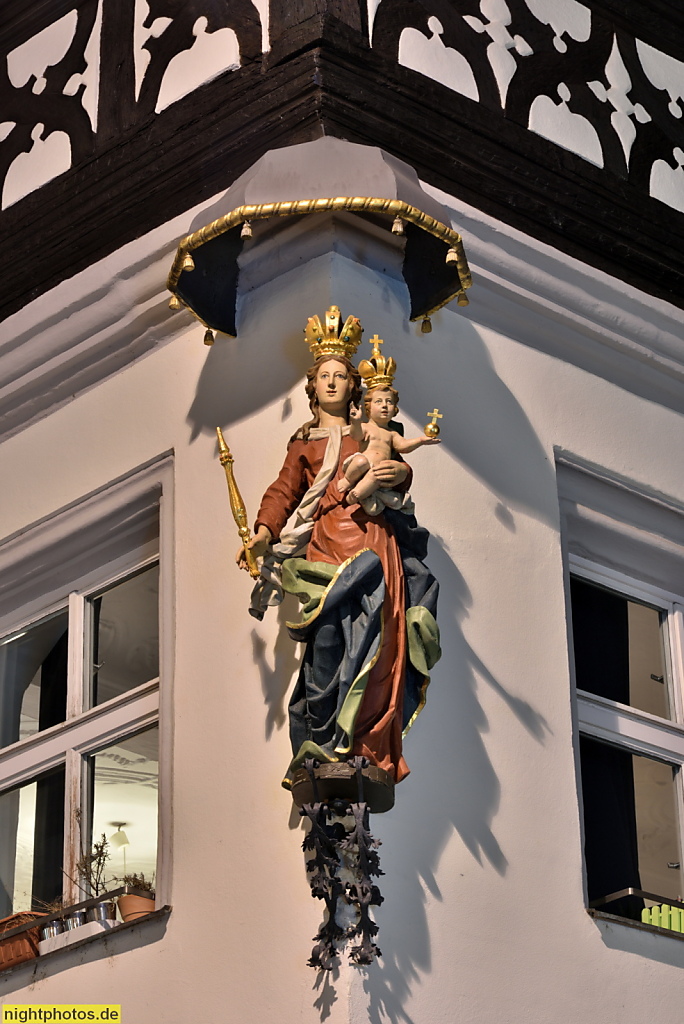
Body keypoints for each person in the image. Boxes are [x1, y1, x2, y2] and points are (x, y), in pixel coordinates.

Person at [237, 331, 440, 789]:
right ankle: (323, 742)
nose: (331, 384)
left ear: (354, 386)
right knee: (326, 638)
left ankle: (363, 744)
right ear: (314, 388)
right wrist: (264, 533)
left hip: (370, 542)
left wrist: (400, 471)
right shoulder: (305, 442)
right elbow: (284, 491)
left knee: (376, 638)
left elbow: (398, 463)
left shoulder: (369, 429)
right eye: (324, 377)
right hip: (324, 544)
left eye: (339, 377)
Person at [339, 385, 440, 507]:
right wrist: (355, 421)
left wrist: (420, 440)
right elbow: (356, 436)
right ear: (369, 407)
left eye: (389, 402)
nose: (384, 405)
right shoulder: (366, 426)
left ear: (395, 409)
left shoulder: (392, 434)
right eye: (378, 401)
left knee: (375, 477)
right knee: (360, 461)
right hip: (363, 463)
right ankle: (348, 481)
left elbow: (403, 446)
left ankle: (356, 495)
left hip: (377, 469)